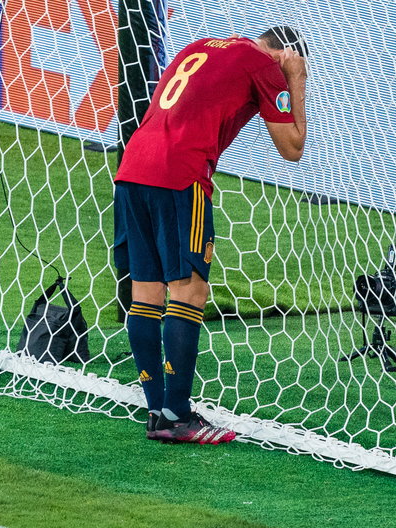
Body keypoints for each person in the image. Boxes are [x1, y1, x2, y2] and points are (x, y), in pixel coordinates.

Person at [113, 26, 308, 444]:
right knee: (189, 291)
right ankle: (179, 416)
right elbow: (293, 147)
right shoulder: (266, 66)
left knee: (146, 292)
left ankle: (158, 412)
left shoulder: (202, 45)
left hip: (133, 167)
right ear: (284, 52)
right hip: (180, 176)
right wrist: (296, 79)